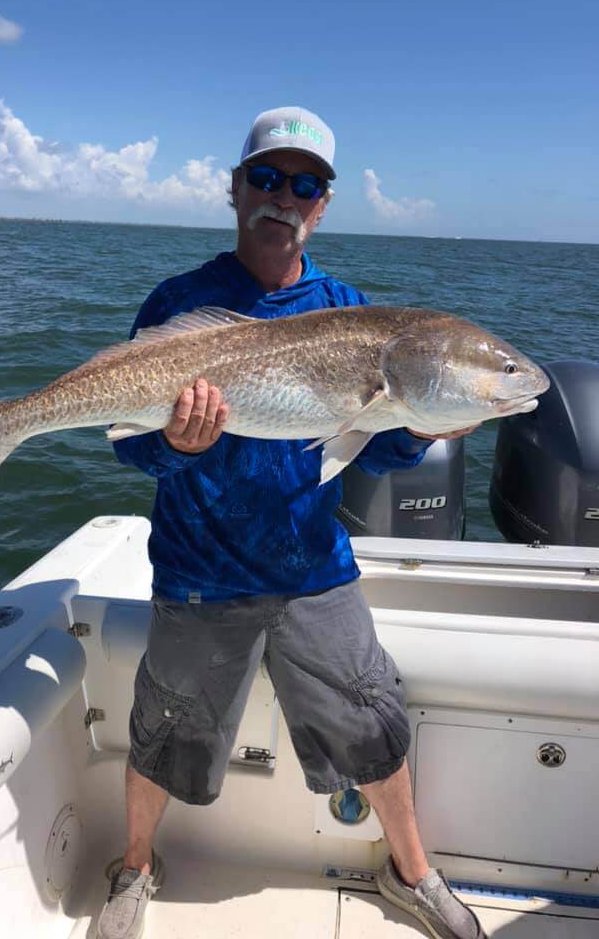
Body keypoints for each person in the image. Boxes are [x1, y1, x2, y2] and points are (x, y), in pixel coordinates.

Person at [98, 107, 486, 939]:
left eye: (304, 184)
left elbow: (367, 456)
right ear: (236, 189)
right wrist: (174, 445)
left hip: (313, 564)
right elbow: (132, 454)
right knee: (163, 727)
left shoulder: (352, 312)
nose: (284, 197)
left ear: (324, 204)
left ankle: (411, 873)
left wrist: (413, 428)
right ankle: (133, 867)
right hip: (201, 569)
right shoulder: (179, 303)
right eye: (267, 179)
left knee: (374, 722)